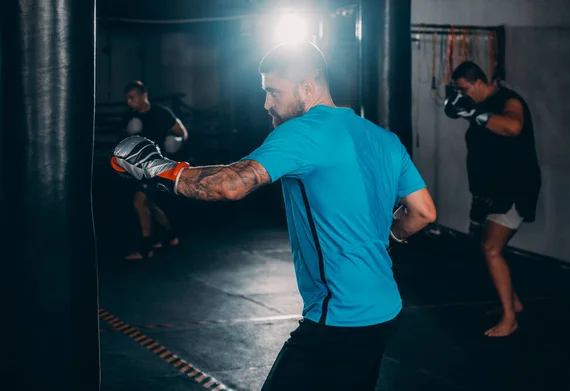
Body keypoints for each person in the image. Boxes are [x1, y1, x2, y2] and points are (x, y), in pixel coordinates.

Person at [111, 42, 436, 390]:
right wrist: (385, 239)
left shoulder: (302, 131)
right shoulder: (383, 138)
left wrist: (157, 168)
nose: (267, 103)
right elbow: (423, 212)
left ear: (307, 89)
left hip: (340, 317)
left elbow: (230, 184)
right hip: (386, 309)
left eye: (273, 91)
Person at [444, 61, 542, 337]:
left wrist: (475, 113)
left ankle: (509, 319)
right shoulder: (475, 108)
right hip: (489, 191)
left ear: (478, 82)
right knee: (481, 245)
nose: (462, 95)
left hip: (513, 189)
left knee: (491, 248)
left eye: (464, 89)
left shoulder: (508, 100)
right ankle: (513, 302)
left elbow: (513, 127)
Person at [119, 81, 189, 260]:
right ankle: (170, 235)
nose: (129, 101)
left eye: (132, 97)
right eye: (127, 98)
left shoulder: (162, 113)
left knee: (139, 201)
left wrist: (177, 142)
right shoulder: (128, 116)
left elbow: (183, 132)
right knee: (148, 204)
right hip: (138, 167)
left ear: (143, 95)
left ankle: (145, 249)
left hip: (158, 167)